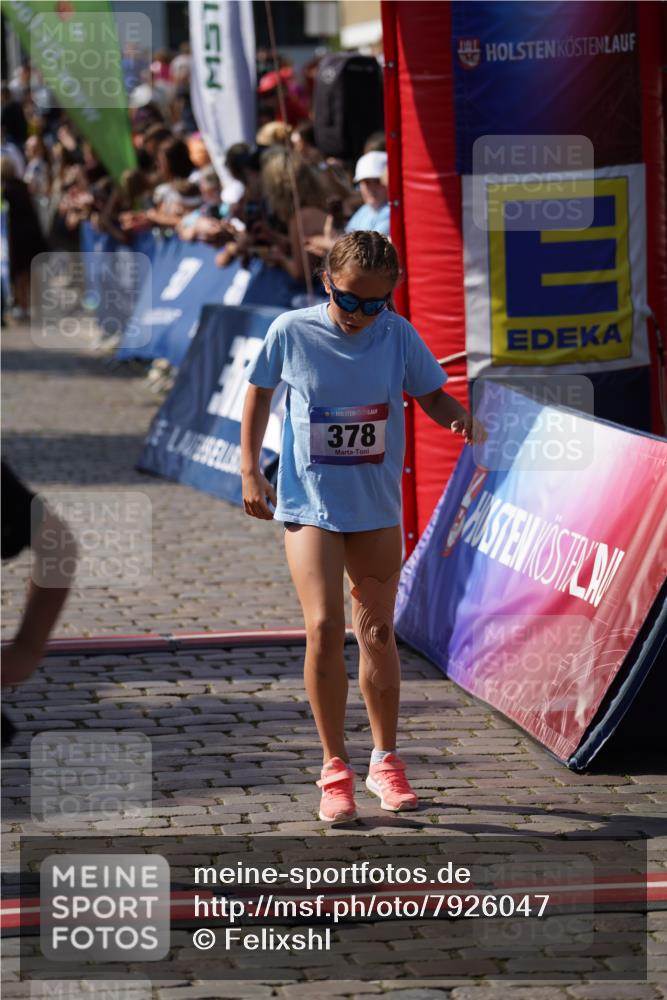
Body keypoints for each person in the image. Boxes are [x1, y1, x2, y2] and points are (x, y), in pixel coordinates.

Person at [240, 230, 484, 823]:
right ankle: (333, 768)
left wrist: (462, 422)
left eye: (375, 304)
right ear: (327, 282)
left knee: (376, 633)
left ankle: (384, 760)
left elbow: (433, 396)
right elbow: (257, 395)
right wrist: (250, 469)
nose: (360, 315)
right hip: (310, 507)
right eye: (350, 300)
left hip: (374, 509)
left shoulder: (396, 334)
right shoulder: (291, 331)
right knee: (324, 627)